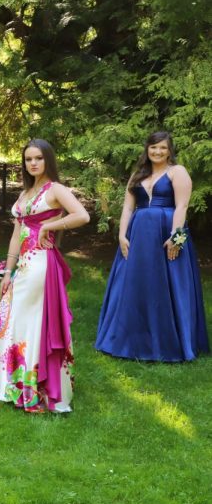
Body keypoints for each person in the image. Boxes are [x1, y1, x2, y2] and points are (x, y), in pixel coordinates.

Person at [0, 139, 89, 413]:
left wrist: (50, 225)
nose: (33, 163)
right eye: (28, 159)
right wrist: (8, 271)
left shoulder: (56, 189)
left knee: (28, 320)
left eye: (38, 158)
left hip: (40, 265)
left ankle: (33, 387)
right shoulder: (26, 192)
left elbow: (82, 215)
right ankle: (8, 383)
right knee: (12, 317)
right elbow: (17, 233)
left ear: (47, 159)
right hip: (23, 265)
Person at [95, 131, 209, 361]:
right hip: (138, 234)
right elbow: (128, 207)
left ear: (170, 151)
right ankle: (130, 339)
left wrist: (176, 237)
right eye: (153, 147)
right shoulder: (138, 174)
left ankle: (171, 343)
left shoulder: (178, 172)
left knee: (168, 283)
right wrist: (121, 235)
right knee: (135, 283)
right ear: (147, 149)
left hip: (167, 232)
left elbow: (182, 206)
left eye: (163, 148)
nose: (158, 152)